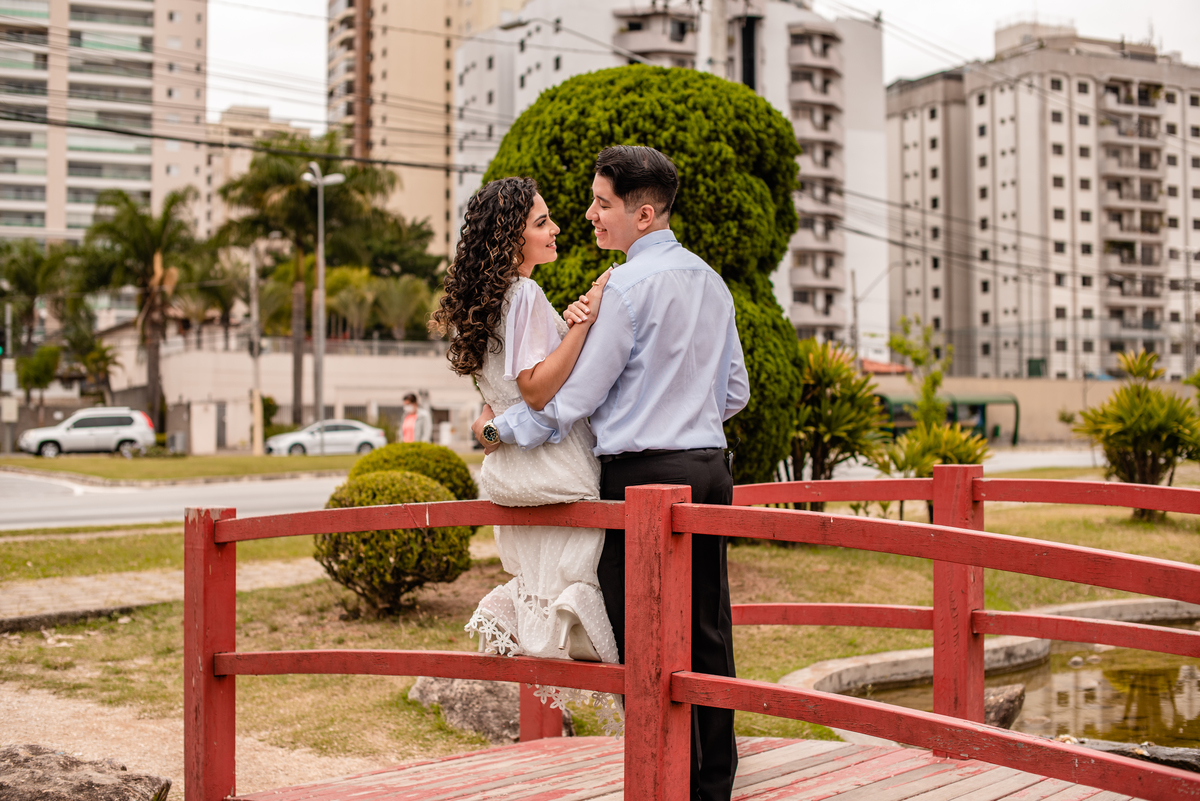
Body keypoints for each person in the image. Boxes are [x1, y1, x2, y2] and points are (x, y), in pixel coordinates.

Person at [473, 146, 749, 801]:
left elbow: (573, 401)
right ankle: (715, 781)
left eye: (603, 203)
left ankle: (664, 777)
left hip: (644, 476)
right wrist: (688, 411)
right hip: (710, 468)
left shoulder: (624, 285)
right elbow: (734, 390)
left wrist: (496, 429)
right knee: (708, 627)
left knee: (639, 636)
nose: (590, 214)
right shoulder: (710, 279)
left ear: (643, 213)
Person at [429, 176, 622, 729]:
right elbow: (536, 388)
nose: (556, 228)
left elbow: (500, 399)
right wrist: (581, 329)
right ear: (512, 240)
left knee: (545, 583)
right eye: (541, 223)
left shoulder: (493, 302)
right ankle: (645, 735)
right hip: (557, 468)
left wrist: (564, 329)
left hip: (511, 474)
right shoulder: (525, 294)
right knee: (580, 588)